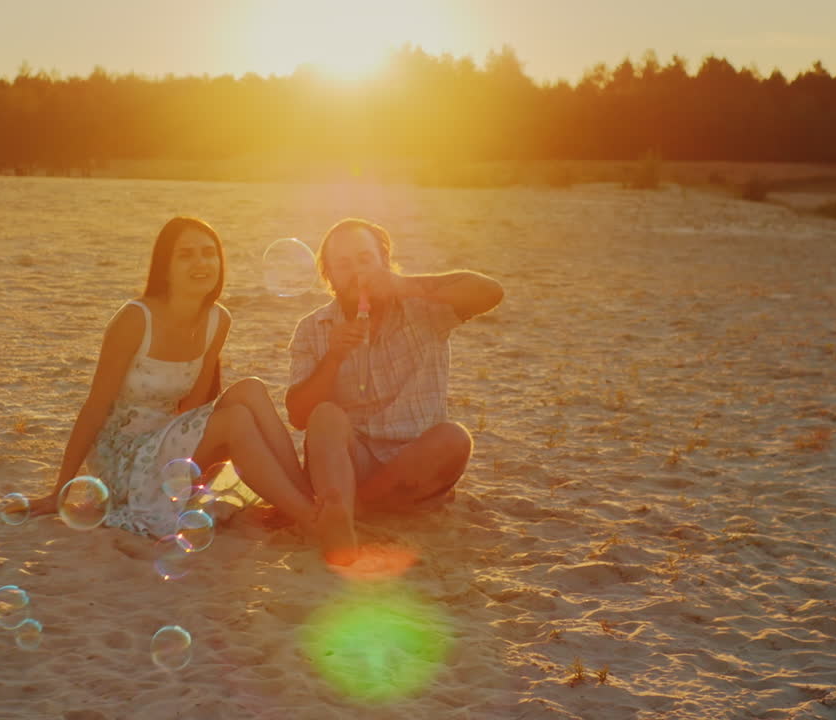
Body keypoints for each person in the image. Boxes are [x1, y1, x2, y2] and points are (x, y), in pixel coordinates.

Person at [30, 217, 319, 541]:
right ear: (165, 267)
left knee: (251, 388)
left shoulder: (217, 319)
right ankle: (312, 518)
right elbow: (95, 407)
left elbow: (193, 407)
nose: (201, 262)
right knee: (236, 419)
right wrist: (59, 490)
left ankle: (309, 501)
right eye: (186, 255)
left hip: (168, 442)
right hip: (124, 459)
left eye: (208, 253)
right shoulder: (135, 319)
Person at [285, 218, 505, 561]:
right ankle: (344, 515)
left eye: (365, 259)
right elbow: (299, 417)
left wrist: (406, 285)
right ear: (328, 276)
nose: (357, 272)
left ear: (384, 261)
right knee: (325, 415)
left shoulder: (424, 309)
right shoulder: (313, 328)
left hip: (415, 467)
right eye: (343, 265)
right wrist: (333, 357)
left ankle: (349, 510)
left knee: (454, 438)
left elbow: (491, 292)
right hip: (348, 464)